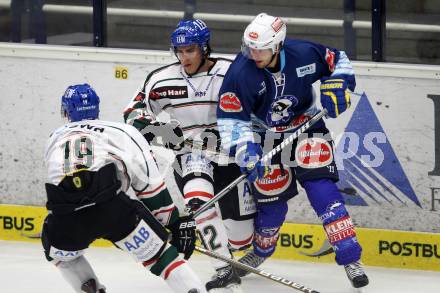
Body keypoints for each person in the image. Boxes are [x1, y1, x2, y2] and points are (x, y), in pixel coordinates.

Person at [216, 13, 369, 289]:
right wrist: (244, 151)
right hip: (263, 138)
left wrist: (339, 82)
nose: (253, 54)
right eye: (249, 47)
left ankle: (350, 257)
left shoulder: (305, 53)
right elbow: (231, 119)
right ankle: (261, 252)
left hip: (306, 127)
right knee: (272, 207)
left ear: (277, 45)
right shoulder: (240, 73)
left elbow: (340, 60)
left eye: (260, 48)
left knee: (322, 190)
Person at [123, 19, 256, 292]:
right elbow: (133, 112)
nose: (184, 57)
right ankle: (224, 269)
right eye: (179, 51)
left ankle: (234, 248)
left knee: (243, 237)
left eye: (190, 50)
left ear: (205, 48)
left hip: (230, 157)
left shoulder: (231, 71)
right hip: (191, 155)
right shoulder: (161, 79)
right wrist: (160, 131)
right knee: (199, 204)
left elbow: (257, 105)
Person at [42, 83, 207, 293]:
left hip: (66, 216)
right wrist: (173, 223)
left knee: (59, 255)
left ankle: (90, 287)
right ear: (97, 109)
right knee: (163, 258)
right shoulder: (122, 131)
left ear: (65, 111)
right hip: (112, 210)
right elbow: (149, 186)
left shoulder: (54, 138)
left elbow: (62, 181)